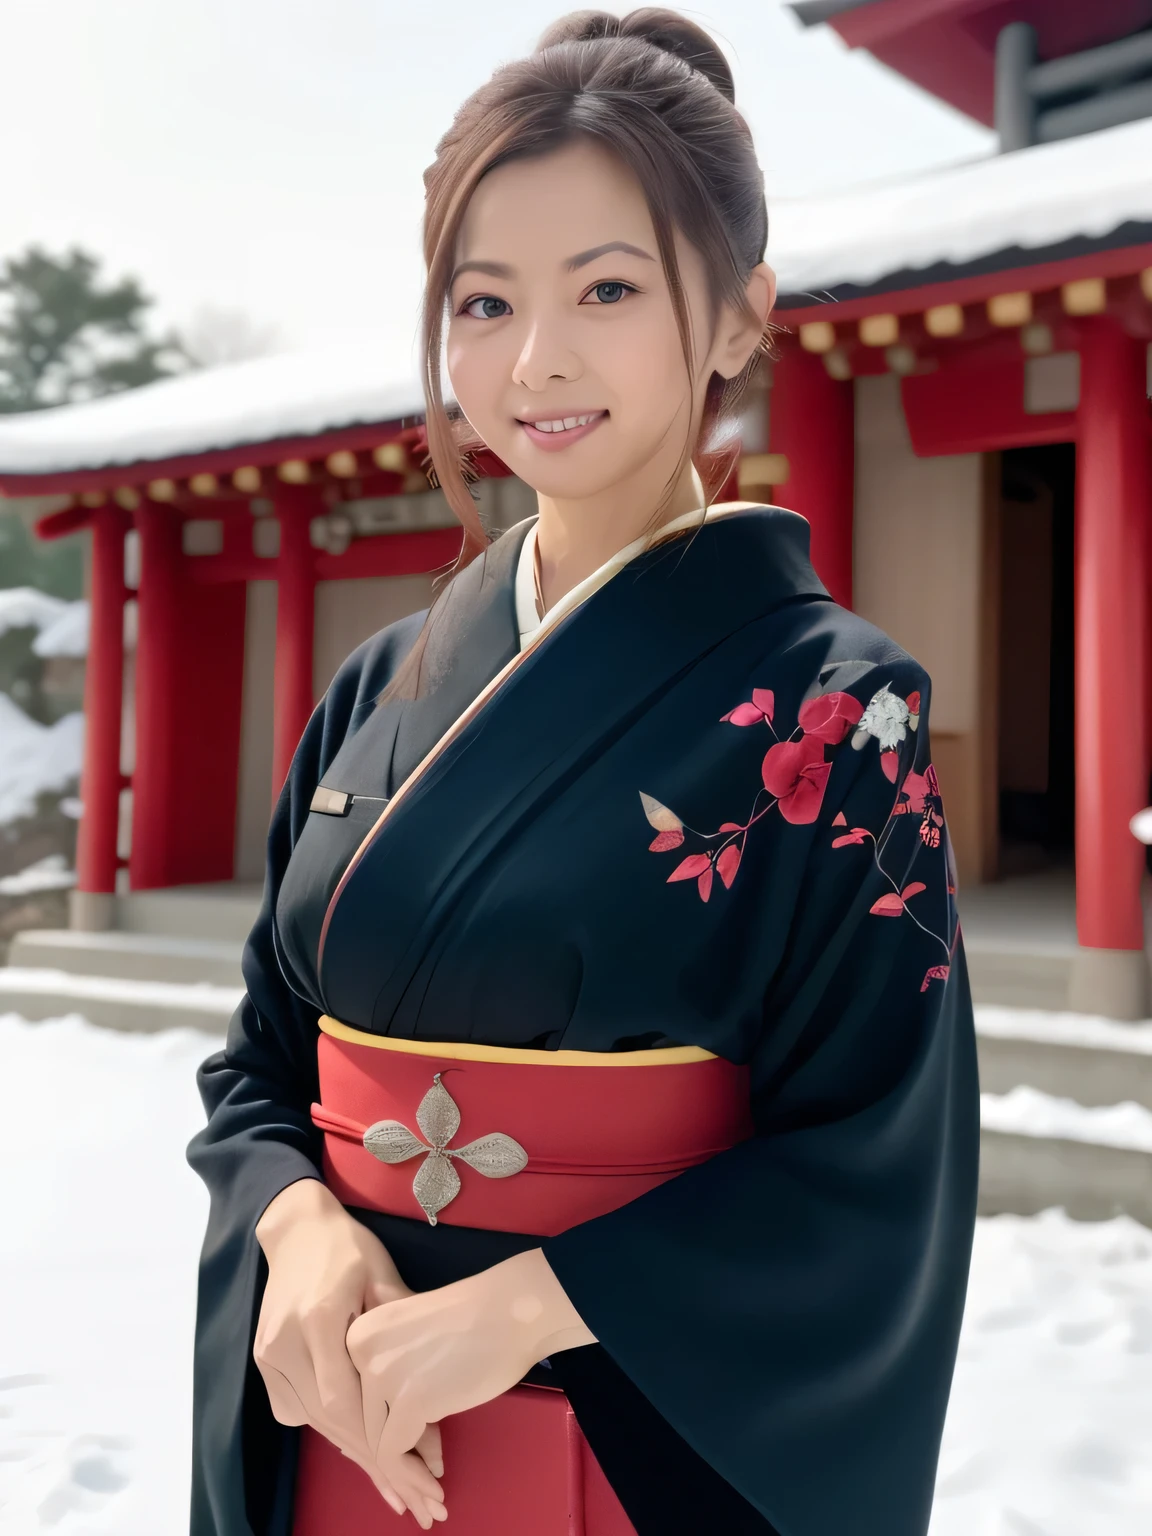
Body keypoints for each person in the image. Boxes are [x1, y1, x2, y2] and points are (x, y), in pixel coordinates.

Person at [186, 10, 980, 1536]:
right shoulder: (380, 684)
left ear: (741, 316)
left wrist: (526, 1305)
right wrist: (291, 1222)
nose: (534, 360)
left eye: (607, 288)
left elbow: (873, 1174)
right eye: (483, 301)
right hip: (336, 1420)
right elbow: (259, 1061)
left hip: (631, 1439)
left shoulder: (841, 718)